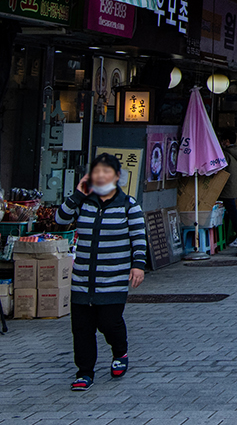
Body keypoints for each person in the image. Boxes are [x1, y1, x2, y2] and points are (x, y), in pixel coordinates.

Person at [57, 153, 146, 391]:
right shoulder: (83, 203)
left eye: (107, 172)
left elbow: (139, 238)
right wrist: (78, 193)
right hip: (83, 280)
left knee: (109, 322)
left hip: (113, 278)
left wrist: (138, 265)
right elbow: (60, 219)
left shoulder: (129, 205)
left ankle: (120, 352)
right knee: (82, 329)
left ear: (117, 177)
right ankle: (84, 372)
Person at [218, 129, 237, 244]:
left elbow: (222, 170)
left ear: (227, 141)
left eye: (223, 140)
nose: (222, 143)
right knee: (232, 212)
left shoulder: (226, 154)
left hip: (227, 187)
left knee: (232, 212)